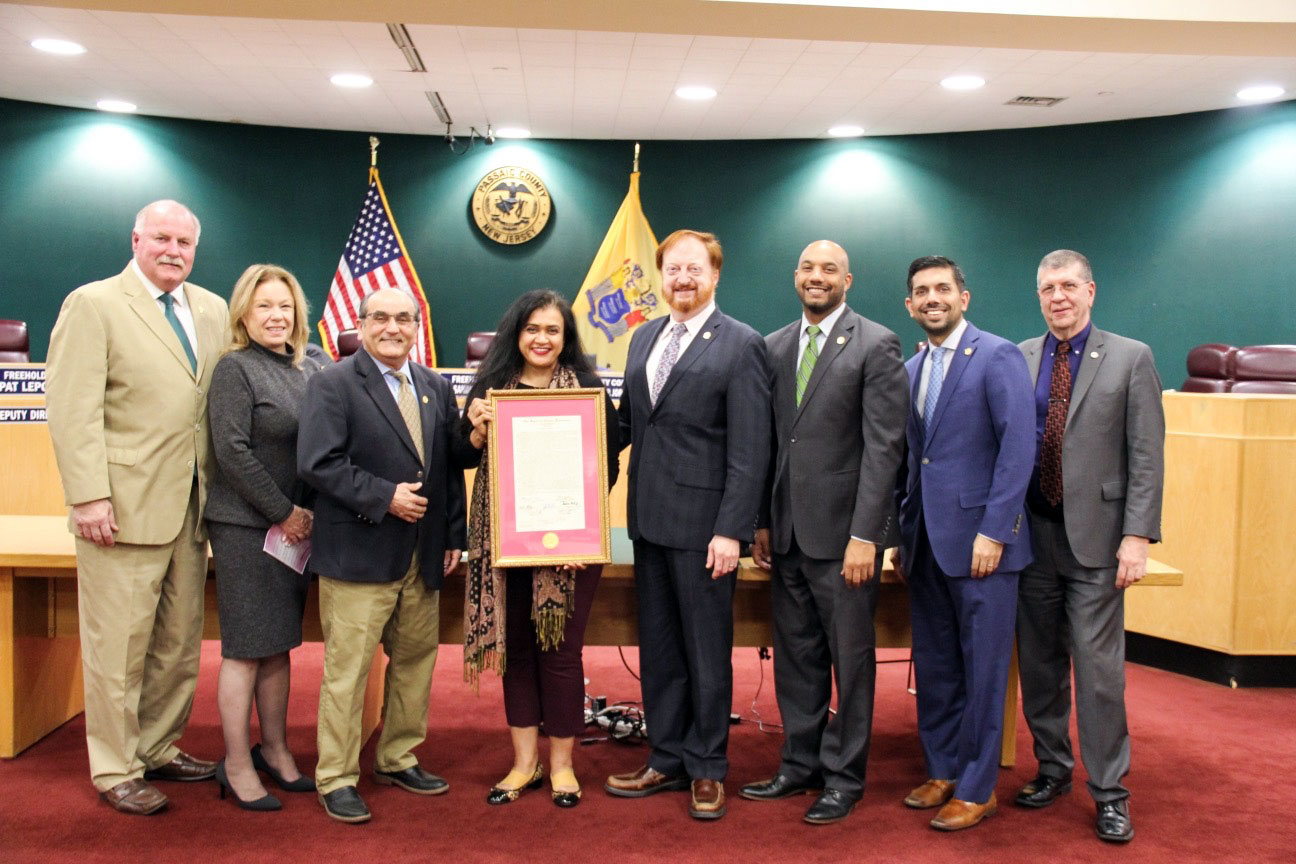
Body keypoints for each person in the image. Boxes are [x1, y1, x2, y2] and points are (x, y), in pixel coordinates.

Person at [45, 200, 227, 815]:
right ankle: (115, 767)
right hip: (119, 509)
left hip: (192, 506)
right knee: (118, 646)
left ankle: (158, 745)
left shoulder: (211, 308)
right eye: (162, 238)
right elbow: (72, 410)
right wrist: (88, 495)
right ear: (136, 240)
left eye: (184, 241)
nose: (173, 250)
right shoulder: (94, 305)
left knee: (177, 643)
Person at [605, 230, 771, 821]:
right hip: (647, 525)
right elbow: (628, 425)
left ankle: (707, 768)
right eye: (672, 269)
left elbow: (751, 449)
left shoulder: (742, 344)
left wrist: (733, 530)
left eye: (694, 269)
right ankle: (666, 757)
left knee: (706, 654)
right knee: (660, 651)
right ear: (660, 276)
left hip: (707, 533)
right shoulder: (644, 337)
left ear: (715, 275)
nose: (682, 278)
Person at [744, 240, 908, 824]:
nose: (818, 278)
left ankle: (844, 777)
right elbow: (769, 444)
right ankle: (799, 764)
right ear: (796, 278)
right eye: (809, 269)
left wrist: (868, 535)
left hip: (845, 542)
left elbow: (885, 449)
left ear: (848, 280)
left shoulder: (877, 342)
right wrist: (762, 521)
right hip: (786, 537)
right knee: (796, 659)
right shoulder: (774, 345)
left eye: (829, 270)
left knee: (851, 661)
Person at [297, 287, 473, 824]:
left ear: (417, 324)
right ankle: (337, 776)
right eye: (380, 317)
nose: (392, 327)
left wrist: (452, 534)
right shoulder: (331, 384)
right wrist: (384, 496)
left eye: (403, 318)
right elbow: (317, 463)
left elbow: (448, 465)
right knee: (347, 672)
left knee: (416, 662)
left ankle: (396, 757)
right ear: (361, 323)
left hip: (421, 554)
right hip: (357, 552)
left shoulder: (435, 386)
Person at [1014, 250, 1164, 843]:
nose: (1059, 297)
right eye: (1048, 287)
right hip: (1032, 539)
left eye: (1069, 286)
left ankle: (1110, 792)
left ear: (1091, 291)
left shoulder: (1131, 358)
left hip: (1098, 544)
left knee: (1099, 674)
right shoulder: (1020, 357)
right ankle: (1052, 769)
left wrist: (1137, 535)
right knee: (1041, 667)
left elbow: (1147, 456)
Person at [459, 290, 620, 809]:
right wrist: (478, 430)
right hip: (506, 545)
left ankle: (563, 766)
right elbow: (460, 453)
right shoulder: (489, 387)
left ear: (566, 337)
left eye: (553, 330)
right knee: (519, 655)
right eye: (532, 329)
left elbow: (608, 465)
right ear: (516, 334)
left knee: (561, 653)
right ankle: (524, 763)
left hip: (571, 553)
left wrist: (581, 537)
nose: (542, 339)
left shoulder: (589, 389)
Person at [894, 255, 1035, 831]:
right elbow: (913, 461)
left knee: (983, 669)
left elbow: (1017, 448)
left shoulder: (997, 356)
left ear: (963, 297)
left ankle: (978, 787)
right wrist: (901, 534)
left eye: (942, 289)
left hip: (983, 547)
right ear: (910, 305)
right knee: (935, 664)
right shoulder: (909, 368)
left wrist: (994, 531)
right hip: (925, 543)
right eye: (921, 291)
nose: (932, 298)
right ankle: (944, 768)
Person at [204, 264, 323, 811]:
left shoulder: (313, 365)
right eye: (263, 307)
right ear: (243, 315)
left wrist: (301, 517)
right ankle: (234, 763)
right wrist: (283, 512)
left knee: (279, 645)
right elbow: (230, 451)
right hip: (248, 527)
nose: (276, 317)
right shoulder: (236, 369)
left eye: (284, 306)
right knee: (246, 649)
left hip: (295, 530)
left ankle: (274, 749)